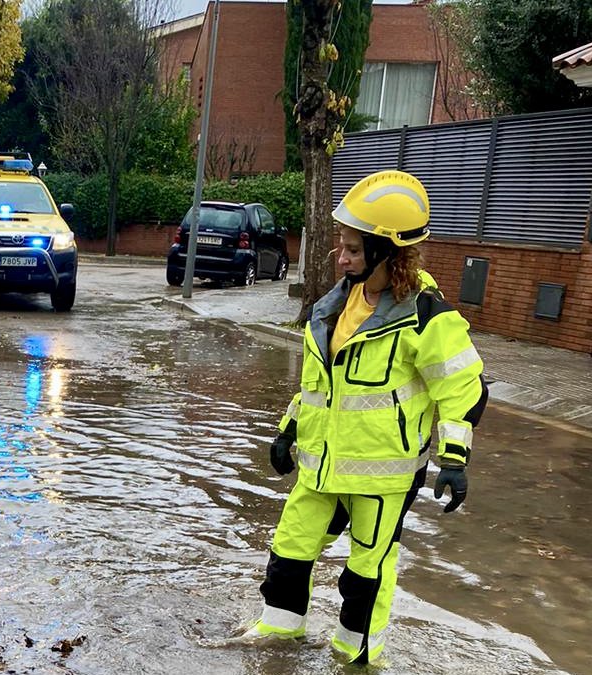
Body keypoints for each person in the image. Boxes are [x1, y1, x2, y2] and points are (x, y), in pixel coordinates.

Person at [248, 170, 488, 663]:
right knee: (289, 549)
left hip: (382, 476)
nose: (342, 257)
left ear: (389, 252)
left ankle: (356, 658)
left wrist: (455, 459)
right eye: (342, 246)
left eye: (354, 249)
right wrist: (287, 429)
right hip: (321, 467)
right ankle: (278, 637)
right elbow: (321, 386)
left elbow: (464, 389)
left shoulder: (426, 317)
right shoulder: (337, 304)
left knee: (367, 571)